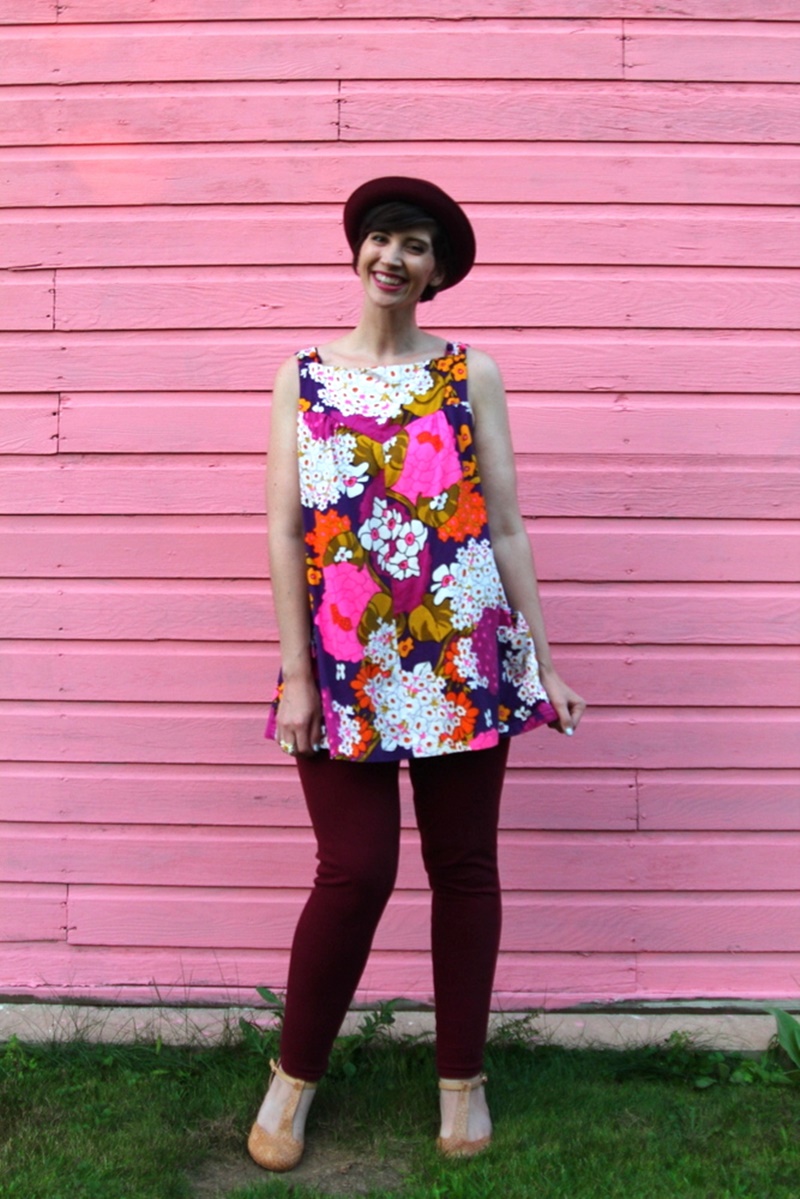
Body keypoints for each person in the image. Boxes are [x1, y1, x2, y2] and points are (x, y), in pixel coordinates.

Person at [248, 177, 586, 1172]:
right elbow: (284, 530)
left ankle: (461, 1078)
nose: (392, 258)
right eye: (381, 238)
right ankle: (292, 1076)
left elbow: (506, 525)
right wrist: (296, 674)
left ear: (437, 271)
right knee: (354, 870)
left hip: (461, 655)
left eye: (415, 246)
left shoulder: (469, 372)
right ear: (357, 249)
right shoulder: (302, 376)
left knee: (464, 866)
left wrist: (543, 659)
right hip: (345, 662)